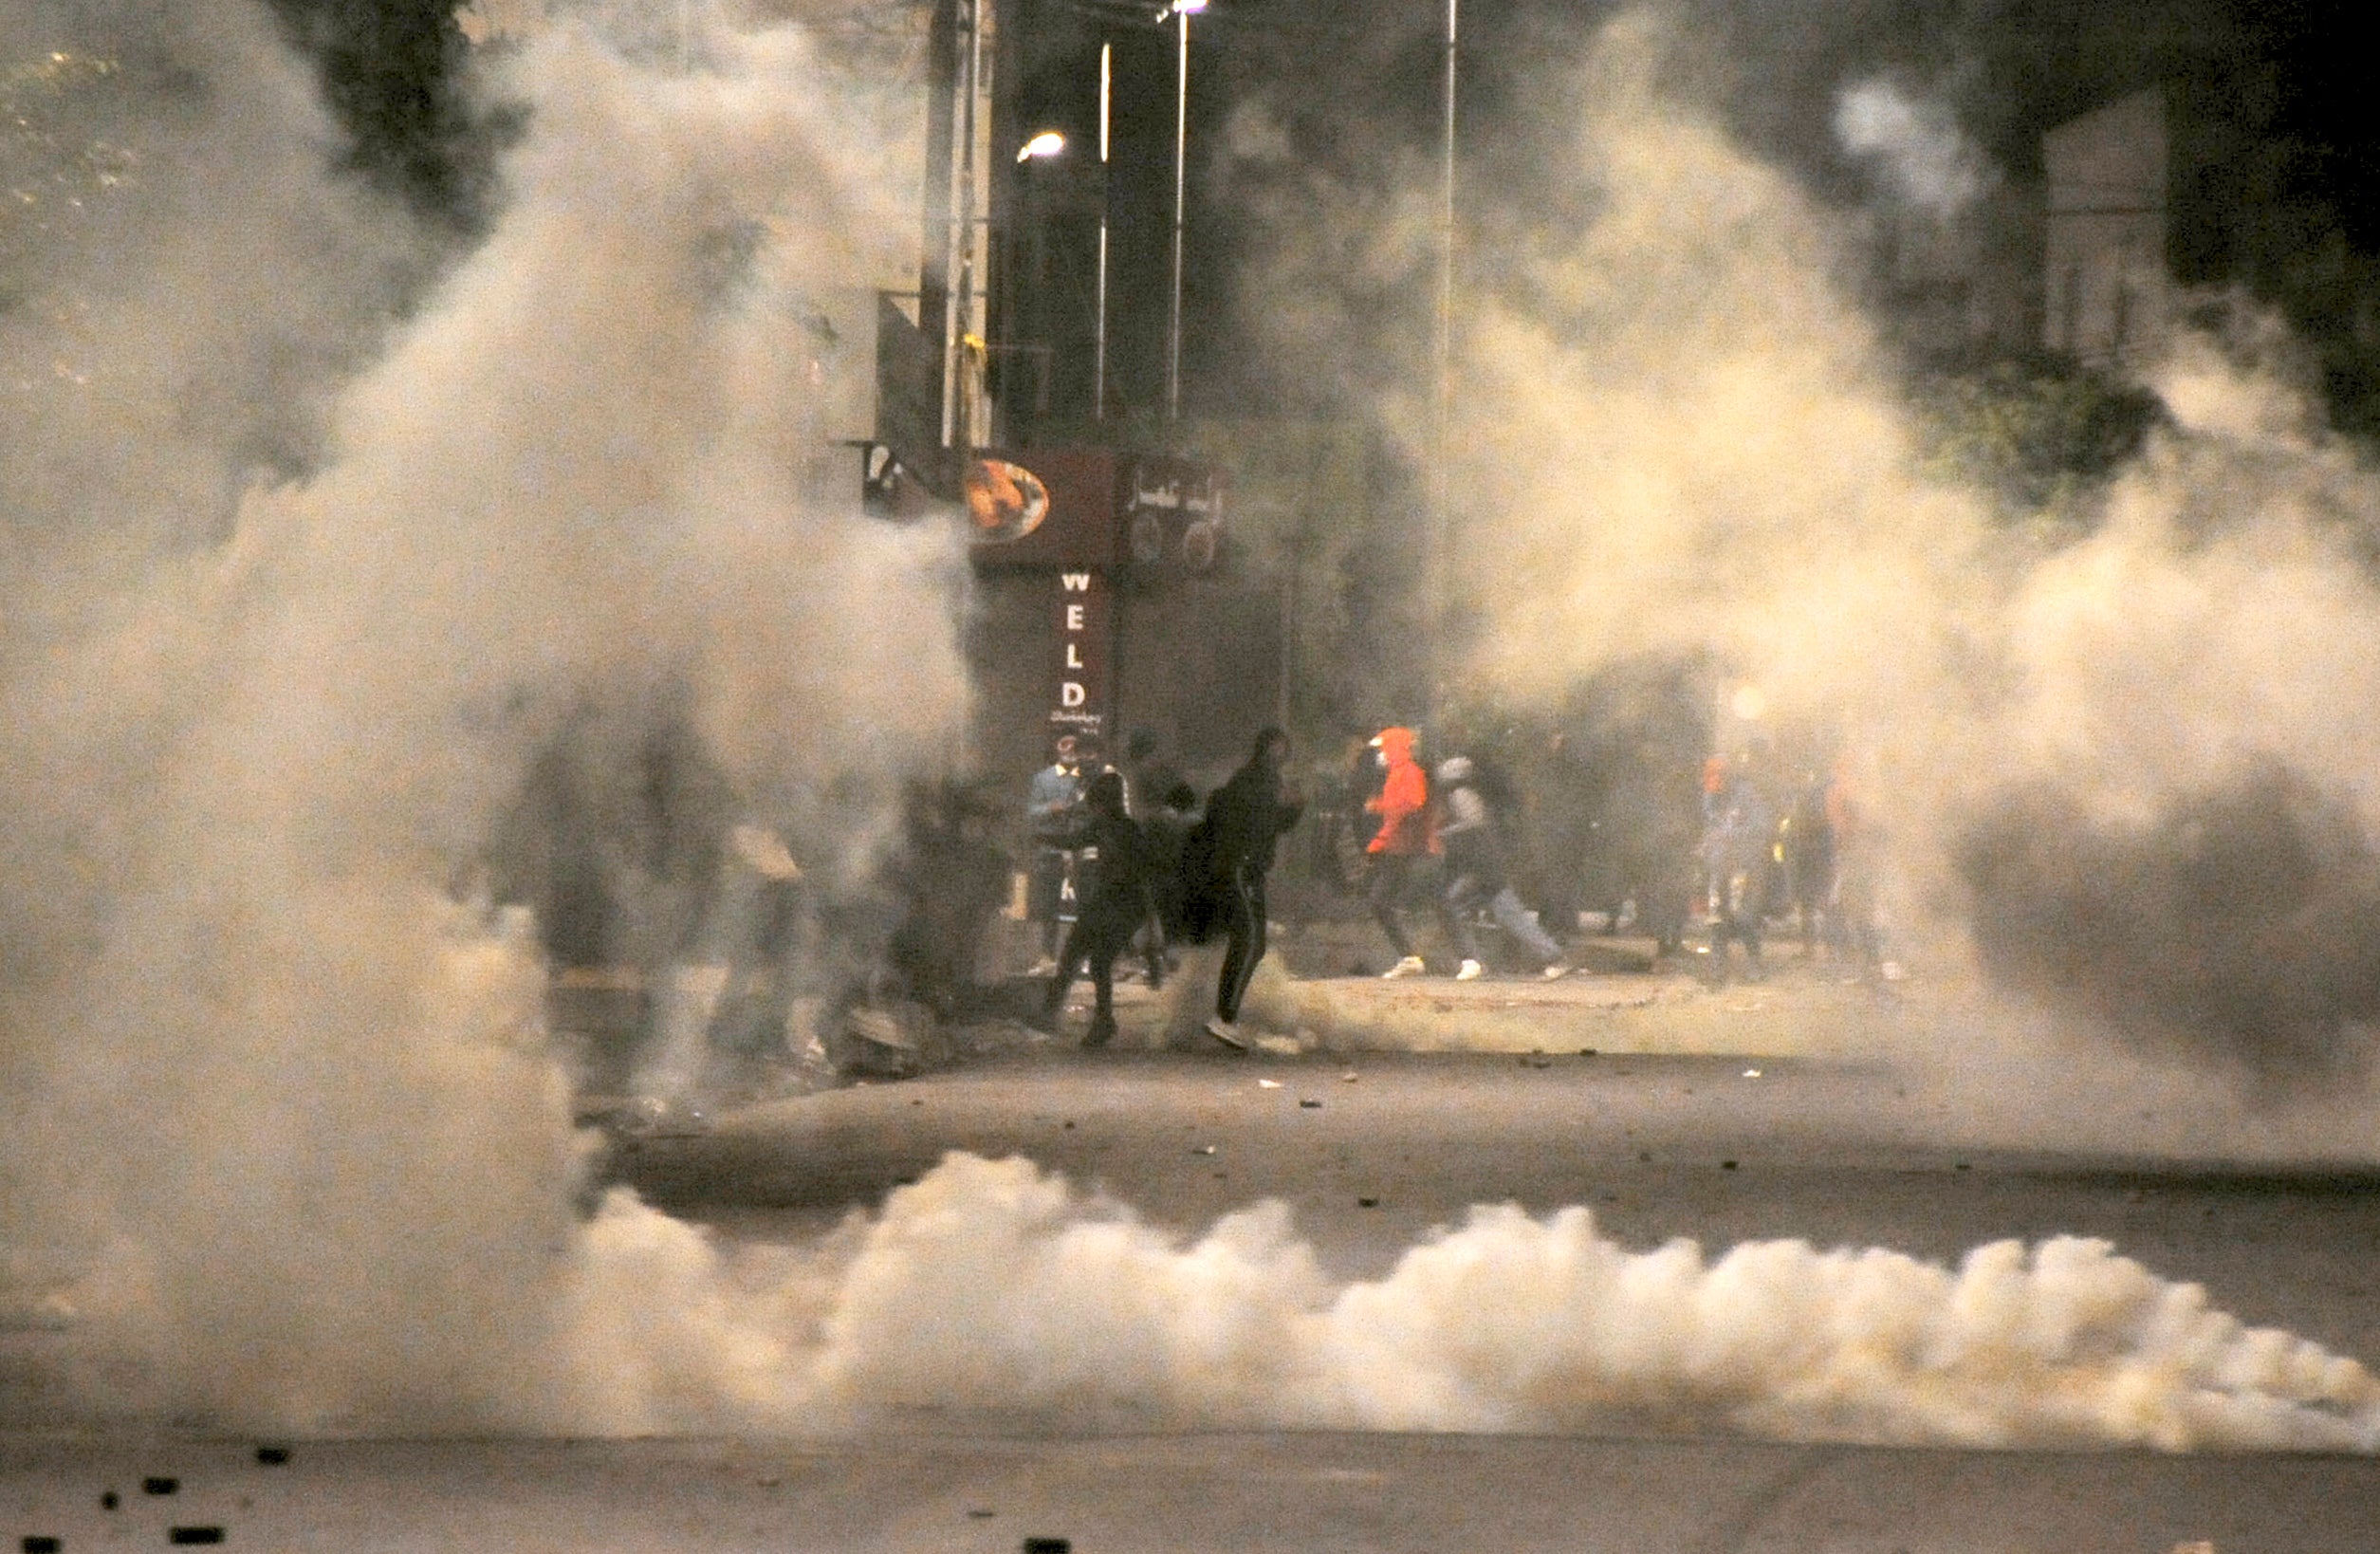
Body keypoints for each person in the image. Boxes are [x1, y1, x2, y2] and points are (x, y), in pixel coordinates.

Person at [1196, 728, 1303, 1050]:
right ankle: (1223, 1017)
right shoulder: (1256, 779)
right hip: (1241, 865)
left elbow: (1275, 824)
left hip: (1249, 867)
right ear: (1267, 748)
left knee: (1253, 944)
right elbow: (1259, 821)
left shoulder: (1262, 778)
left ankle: (1226, 1015)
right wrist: (1286, 806)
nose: (1280, 753)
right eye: (1276, 746)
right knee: (1249, 939)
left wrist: (1293, 807)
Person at [1041, 770, 1153, 1047]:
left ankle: (1053, 1014)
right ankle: (1094, 1019)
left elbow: (1074, 840)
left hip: (1117, 902)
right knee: (1091, 959)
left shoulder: (1112, 828)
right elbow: (1074, 840)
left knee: (1078, 954)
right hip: (1119, 903)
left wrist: (1039, 837)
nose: (1096, 811)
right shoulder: (1123, 828)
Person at [1435, 756, 1573, 981]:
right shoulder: (1470, 793)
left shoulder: (1460, 794)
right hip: (1486, 867)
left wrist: (1444, 834)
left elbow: (1472, 822)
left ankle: (1473, 961)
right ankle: (1551, 957)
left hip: (1480, 868)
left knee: (1453, 904)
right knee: (1508, 914)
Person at [1363, 726, 1440, 977]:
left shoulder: (1408, 773)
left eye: (1384, 748)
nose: (1380, 755)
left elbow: (1409, 805)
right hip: (1400, 847)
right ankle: (1411, 955)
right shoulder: (1398, 773)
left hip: (1404, 849)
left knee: (1381, 900)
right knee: (1385, 900)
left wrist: (1379, 812)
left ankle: (1410, 956)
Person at [1024, 733, 1089, 973]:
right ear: (1056, 746)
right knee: (1048, 906)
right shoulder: (1042, 779)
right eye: (1064, 743)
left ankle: (1082, 958)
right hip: (1049, 852)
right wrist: (1051, 808)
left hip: (1078, 851)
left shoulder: (1086, 778)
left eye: (1074, 744)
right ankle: (1047, 956)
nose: (1069, 748)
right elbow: (1031, 812)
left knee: (1084, 907)